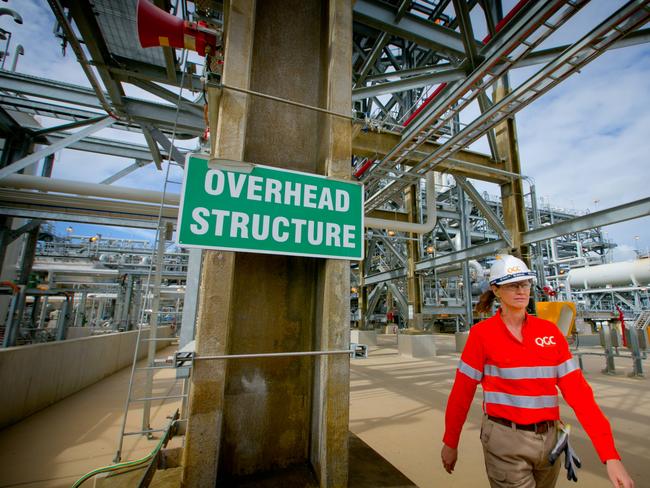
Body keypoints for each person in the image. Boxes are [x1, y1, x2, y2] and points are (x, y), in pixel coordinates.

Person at [440, 254, 634, 488]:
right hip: (505, 440)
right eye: (512, 285)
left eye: (525, 283)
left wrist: (610, 455)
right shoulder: (482, 336)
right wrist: (451, 441)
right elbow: (462, 393)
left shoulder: (550, 334)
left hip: (549, 440)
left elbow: (580, 395)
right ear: (496, 290)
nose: (522, 290)